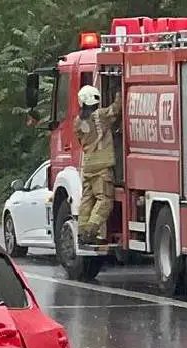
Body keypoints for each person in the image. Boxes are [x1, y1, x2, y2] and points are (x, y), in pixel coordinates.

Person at [75, 85, 120, 246]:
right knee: (104, 199)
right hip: (102, 167)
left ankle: (81, 231)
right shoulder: (100, 116)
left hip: (88, 165)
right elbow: (115, 109)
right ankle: (91, 230)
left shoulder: (78, 122)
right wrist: (119, 92)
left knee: (87, 200)